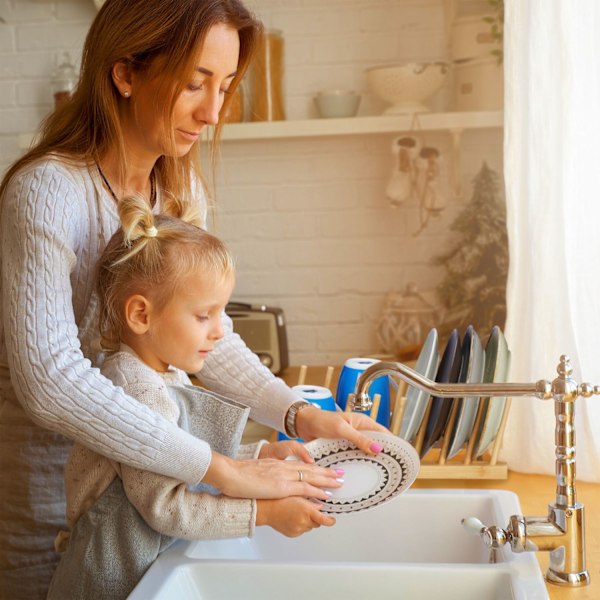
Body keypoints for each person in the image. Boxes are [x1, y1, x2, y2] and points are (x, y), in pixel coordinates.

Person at [0, 1, 387, 597]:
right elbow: (51, 379)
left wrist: (299, 414)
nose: (211, 112)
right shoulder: (48, 191)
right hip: (47, 499)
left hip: (146, 491)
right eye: (193, 84)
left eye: (225, 86)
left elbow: (209, 333)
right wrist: (221, 469)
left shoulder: (179, 192)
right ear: (125, 73)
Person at [47, 194, 341, 599]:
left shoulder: (167, 371)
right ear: (141, 315)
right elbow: (169, 507)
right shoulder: (138, 389)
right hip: (109, 583)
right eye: (204, 316)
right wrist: (267, 514)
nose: (220, 331)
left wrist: (256, 456)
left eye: (220, 314)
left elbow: (184, 459)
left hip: (146, 572)